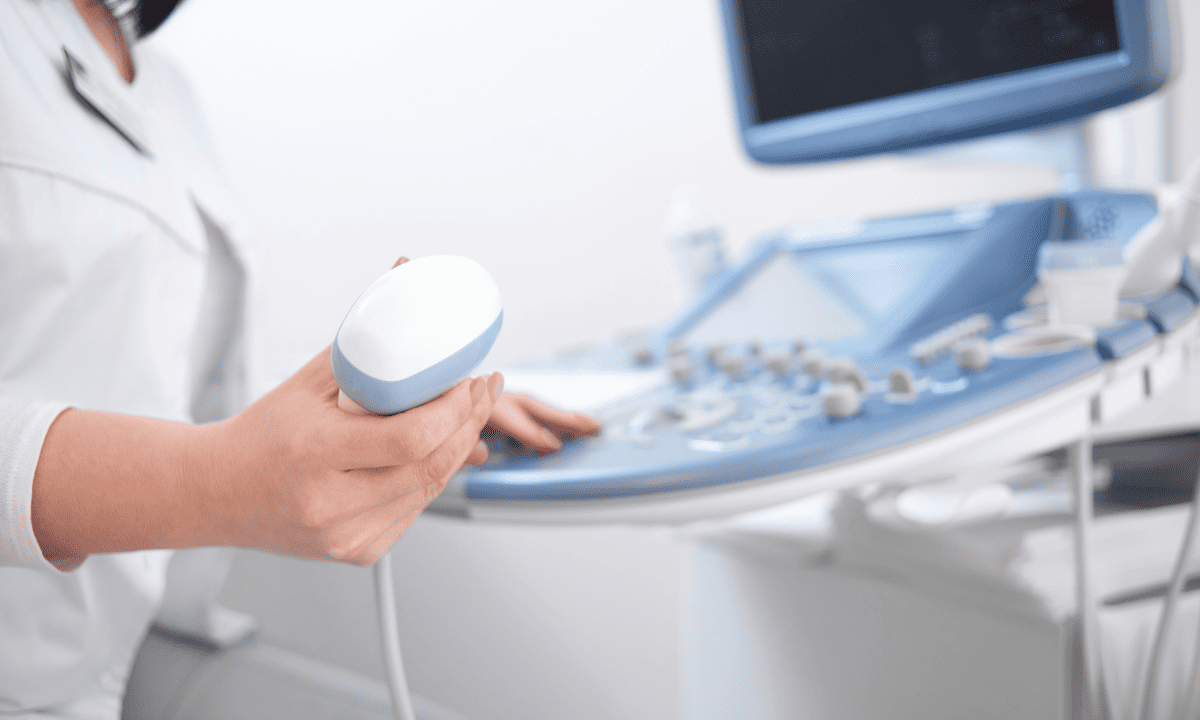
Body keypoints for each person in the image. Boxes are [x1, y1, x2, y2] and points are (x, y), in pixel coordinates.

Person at [0, 0, 600, 716]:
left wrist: (383, 403)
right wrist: (213, 480)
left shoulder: (169, 94)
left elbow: (164, 355)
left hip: (126, 645)